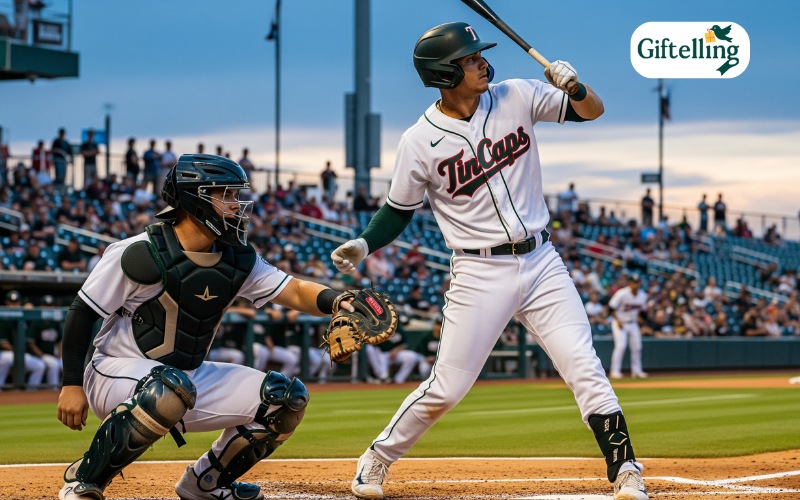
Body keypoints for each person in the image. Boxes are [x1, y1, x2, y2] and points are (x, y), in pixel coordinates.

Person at [330, 22, 647, 500]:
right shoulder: (419, 140)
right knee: (447, 388)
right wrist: (364, 244)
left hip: (542, 262)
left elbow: (592, 112)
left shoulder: (517, 94)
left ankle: (626, 469)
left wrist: (576, 87)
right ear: (444, 72)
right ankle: (376, 459)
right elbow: (397, 212)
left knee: (584, 365)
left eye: (479, 55)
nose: (481, 62)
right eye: (469, 58)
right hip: (480, 272)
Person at [56, 154, 353, 500]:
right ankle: (85, 479)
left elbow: (296, 290)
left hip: (184, 378)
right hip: (112, 373)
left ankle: (205, 483)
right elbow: (81, 314)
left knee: (285, 400)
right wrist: (71, 385)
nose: (235, 205)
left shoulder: (236, 257)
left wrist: (339, 301)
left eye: (235, 195)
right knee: (169, 388)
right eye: (224, 195)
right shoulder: (139, 252)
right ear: (194, 199)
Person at [608, 274, 648, 379]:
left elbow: (643, 313)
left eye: (637, 282)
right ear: (630, 283)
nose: (636, 284)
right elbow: (610, 308)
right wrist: (617, 320)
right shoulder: (622, 293)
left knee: (637, 347)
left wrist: (642, 322)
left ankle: (637, 371)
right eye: (634, 282)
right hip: (619, 322)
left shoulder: (642, 295)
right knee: (621, 346)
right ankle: (615, 371)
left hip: (633, 323)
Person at [26, 294, 63, 389]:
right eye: (46, 305)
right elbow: (31, 343)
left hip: (51, 355)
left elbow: (59, 341)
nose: (48, 308)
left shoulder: (55, 322)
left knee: (66, 364)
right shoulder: (36, 322)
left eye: (50, 305)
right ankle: (52, 389)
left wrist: (60, 354)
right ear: (41, 306)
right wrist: (41, 354)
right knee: (53, 364)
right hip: (37, 355)